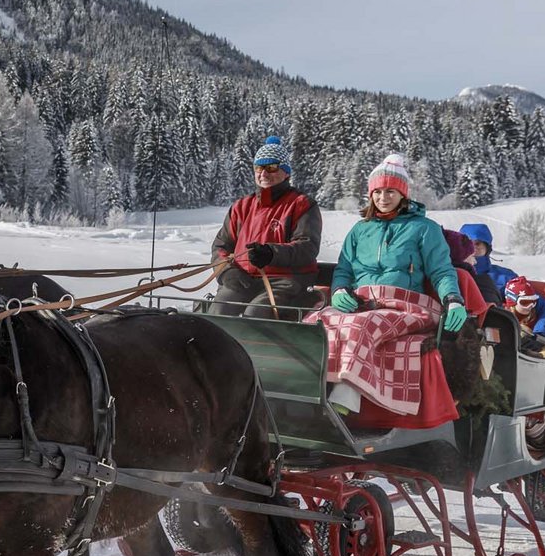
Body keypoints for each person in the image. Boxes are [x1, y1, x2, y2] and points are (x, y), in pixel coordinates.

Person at [310, 153, 464, 414]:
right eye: (378, 191)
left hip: (405, 305)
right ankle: (304, 391)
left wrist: (453, 299)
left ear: (403, 194)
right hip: (361, 302)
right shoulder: (360, 230)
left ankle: (343, 402)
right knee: (315, 322)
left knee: (361, 326)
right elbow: (344, 269)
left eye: (391, 191)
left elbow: (441, 270)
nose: (383, 197)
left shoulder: (424, 228)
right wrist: (338, 291)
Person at [210, 136, 323, 318]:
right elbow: (221, 246)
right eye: (258, 167)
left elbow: (307, 247)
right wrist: (227, 272)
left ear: (286, 172)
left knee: (256, 313)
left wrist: (271, 253)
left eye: (271, 167)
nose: (263, 173)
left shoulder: (302, 204)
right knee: (221, 308)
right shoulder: (241, 206)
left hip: (285, 280)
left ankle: (254, 347)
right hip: (244, 278)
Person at [457, 223, 516, 300]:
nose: (472, 248)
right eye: (467, 243)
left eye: (477, 244)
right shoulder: (450, 275)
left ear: (487, 248)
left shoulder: (506, 277)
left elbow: (527, 301)